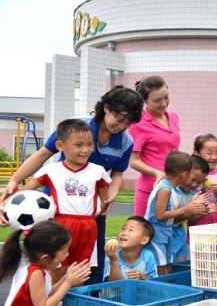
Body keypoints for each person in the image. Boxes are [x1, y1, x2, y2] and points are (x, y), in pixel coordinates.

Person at [1, 86, 143, 285]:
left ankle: (86, 301)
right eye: (119, 118)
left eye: (128, 123)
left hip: (90, 212)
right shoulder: (76, 127)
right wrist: (15, 180)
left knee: (90, 262)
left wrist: (110, 195)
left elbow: (117, 173)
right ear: (106, 108)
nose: (121, 125)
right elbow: (43, 154)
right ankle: (46, 300)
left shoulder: (126, 141)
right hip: (58, 206)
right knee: (53, 258)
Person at [15, 119, 110, 283]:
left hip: (88, 228)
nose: (85, 150)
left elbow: (104, 196)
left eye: (89, 144)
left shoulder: (98, 171)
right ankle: (56, 304)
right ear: (60, 146)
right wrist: (6, 204)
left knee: (81, 272)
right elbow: (27, 190)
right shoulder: (51, 170)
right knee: (57, 269)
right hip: (60, 226)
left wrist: (103, 205)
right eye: (78, 145)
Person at [0, 221, 91, 306]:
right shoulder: (36, 274)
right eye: (64, 252)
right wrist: (68, 283)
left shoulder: (34, 269)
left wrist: (66, 277)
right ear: (45, 258)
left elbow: (48, 292)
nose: (67, 255)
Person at [129, 76, 181, 217]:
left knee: (171, 232)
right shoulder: (138, 123)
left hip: (174, 186)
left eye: (166, 97)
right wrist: (157, 173)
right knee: (145, 233)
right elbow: (133, 161)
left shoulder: (174, 117)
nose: (163, 103)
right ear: (144, 101)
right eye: (157, 101)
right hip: (150, 189)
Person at [144, 151, 208, 262]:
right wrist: (186, 209)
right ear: (184, 175)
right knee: (160, 264)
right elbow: (160, 215)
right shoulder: (165, 189)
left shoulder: (171, 188)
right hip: (156, 232)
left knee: (168, 263)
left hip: (166, 231)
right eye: (189, 173)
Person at [103, 216, 158, 281]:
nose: (124, 233)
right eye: (123, 228)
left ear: (144, 240)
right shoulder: (111, 258)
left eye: (131, 230)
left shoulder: (148, 256)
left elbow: (155, 281)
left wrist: (142, 277)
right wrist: (114, 261)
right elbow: (112, 286)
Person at [191, 134, 217, 226]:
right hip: (198, 222)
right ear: (197, 153)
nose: (214, 157)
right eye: (209, 153)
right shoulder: (192, 174)